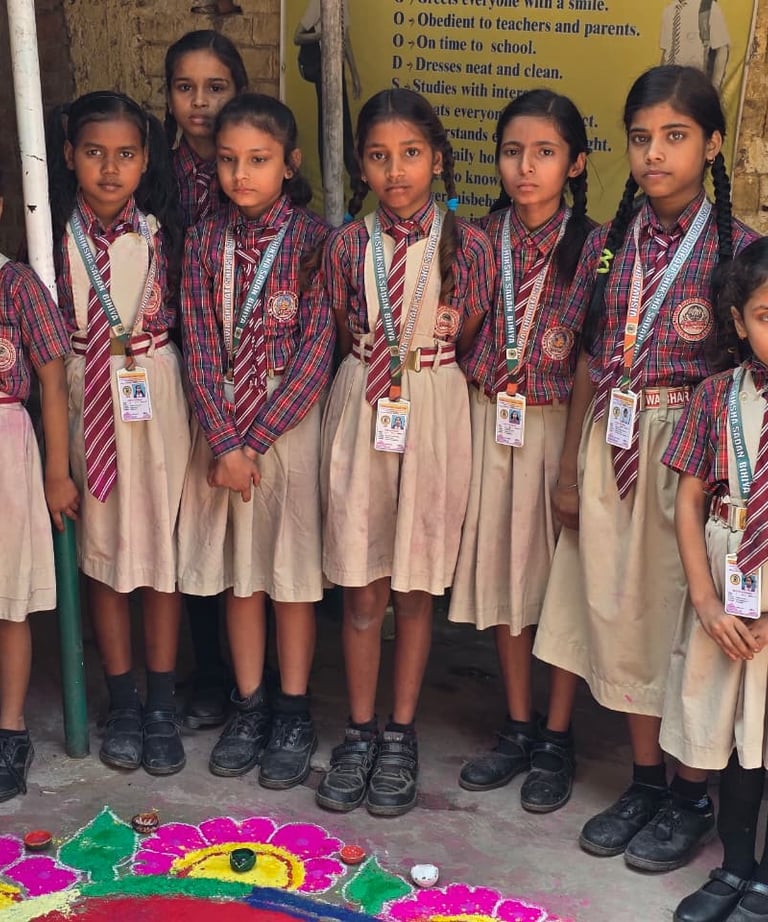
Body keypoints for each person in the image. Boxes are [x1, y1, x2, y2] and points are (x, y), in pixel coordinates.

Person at [532, 65, 758, 870]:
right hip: (611, 442)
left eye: (675, 137)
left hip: (694, 458)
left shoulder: (742, 248)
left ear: (712, 145)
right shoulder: (609, 243)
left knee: (681, 622)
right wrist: (567, 468)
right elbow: (595, 354)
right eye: (640, 138)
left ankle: (692, 793)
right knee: (622, 613)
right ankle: (647, 778)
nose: (655, 154)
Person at [316, 88, 495, 817]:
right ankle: (358, 729)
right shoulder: (346, 246)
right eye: (379, 156)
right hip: (364, 407)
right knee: (363, 588)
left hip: (433, 403)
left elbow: (476, 334)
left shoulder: (468, 246)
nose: (396, 171)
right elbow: (336, 326)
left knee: (415, 588)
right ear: (361, 165)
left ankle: (400, 733)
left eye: (412, 154)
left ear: (439, 159)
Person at [178, 94, 332, 789]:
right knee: (241, 579)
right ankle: (249, 705)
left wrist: (258, 440)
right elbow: (201, 347)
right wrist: (226, 439)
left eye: (259, 161)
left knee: (291, 582)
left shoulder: (315, 242)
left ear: (289, 163)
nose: (242, 174)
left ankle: (294, 710)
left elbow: (317, 353)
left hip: (286, 436)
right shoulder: (204, 242)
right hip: (221, 439)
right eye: (229, 161)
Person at [449, 90, 592, 812]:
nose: (525, 167)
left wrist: (571, 469)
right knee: (505, 575)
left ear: (575, 163)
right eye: (512, 151)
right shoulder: (477, 238)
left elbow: (597, 363)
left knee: (559, 583)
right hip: (488, 421)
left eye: (543, 152)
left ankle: (558, 736)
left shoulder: (597, 248)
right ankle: (516, 724)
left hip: (559, 427)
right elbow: (457, 332)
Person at [48, 91, 190, 776]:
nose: (109, 168)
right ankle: (124, 700)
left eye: (125, 154)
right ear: (70, 155)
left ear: (145, 160)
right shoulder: (51, 239)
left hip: (153, 389)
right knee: (104, 555)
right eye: (95, 153)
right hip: (86, 390)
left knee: (158, 551)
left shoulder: (167, 232)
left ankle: (162, 701)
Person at [663, 238, 768, 922]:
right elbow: (688, 501)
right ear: (737, 321)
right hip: (726, 586)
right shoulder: (712, 397)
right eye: (765, 314)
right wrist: (704, 598)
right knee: (733, 733)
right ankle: (735, 867)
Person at [164, 29, 248, 731]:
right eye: (185, 87)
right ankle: (208, 670)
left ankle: (260, 680)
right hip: (176, 364)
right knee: (193, 524)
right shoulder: (151, 170)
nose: (199, 101)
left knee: (248, 530)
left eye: (215, 86)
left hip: (246, 376)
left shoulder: (251, 171)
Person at [0, 164, 79, 801]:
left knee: (9, 601)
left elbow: (53, 380)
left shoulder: (16, 284)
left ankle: (11, 730)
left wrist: (57, 472)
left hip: (7, 450)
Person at [293, 0, 361, 183]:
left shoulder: (343, 4)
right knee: (327, 125)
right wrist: (322, 34)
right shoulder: (319, 4)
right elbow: (297, 37)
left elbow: (345, 38)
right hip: (323, 69)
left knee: (343, 124)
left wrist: (354, 75)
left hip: (337, 69)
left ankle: (351, 176)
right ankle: (329, 180)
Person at [660, 0, 730, 90]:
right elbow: (666, 52)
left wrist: (714, 87)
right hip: (669, 82)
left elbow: (722, 50)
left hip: (695, 83)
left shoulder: (708, 8)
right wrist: (661, 80)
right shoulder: (669, 10)